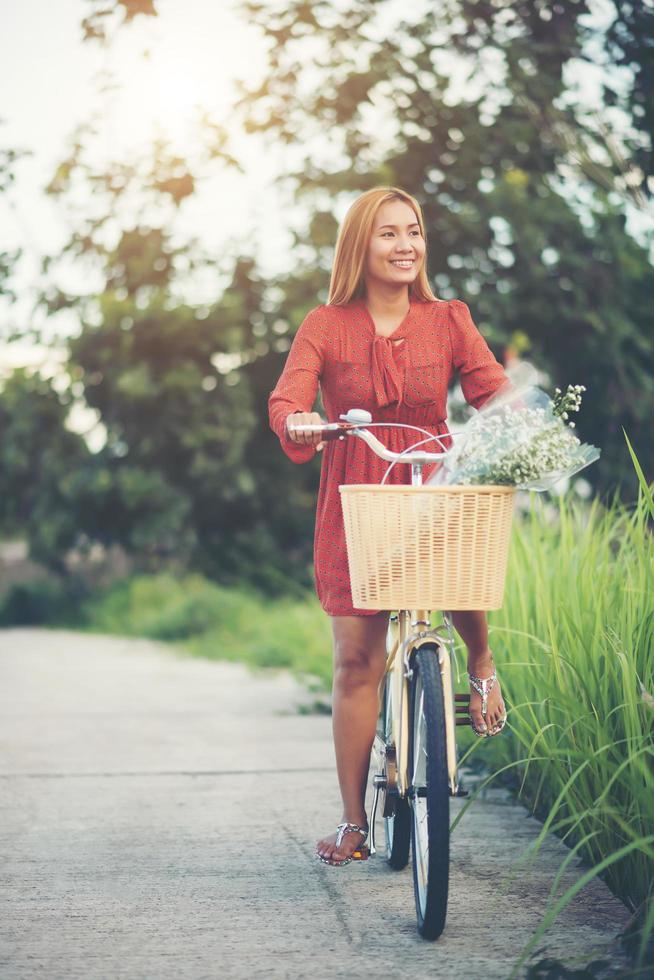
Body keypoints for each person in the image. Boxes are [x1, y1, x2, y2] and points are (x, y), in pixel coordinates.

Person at [268, 186, 509, 868]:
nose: (407, 245)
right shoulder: (326, 324)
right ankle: (353, 822)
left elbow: (490, 386)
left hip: (431, 474)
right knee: (356, 663)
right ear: (360, 247)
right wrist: (295, 420)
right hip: (357, 491)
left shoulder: (448, 318)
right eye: (389, 234)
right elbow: (290, 392)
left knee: (460, 557)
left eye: (415, 232)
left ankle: (480, 662)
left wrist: (517, 421)